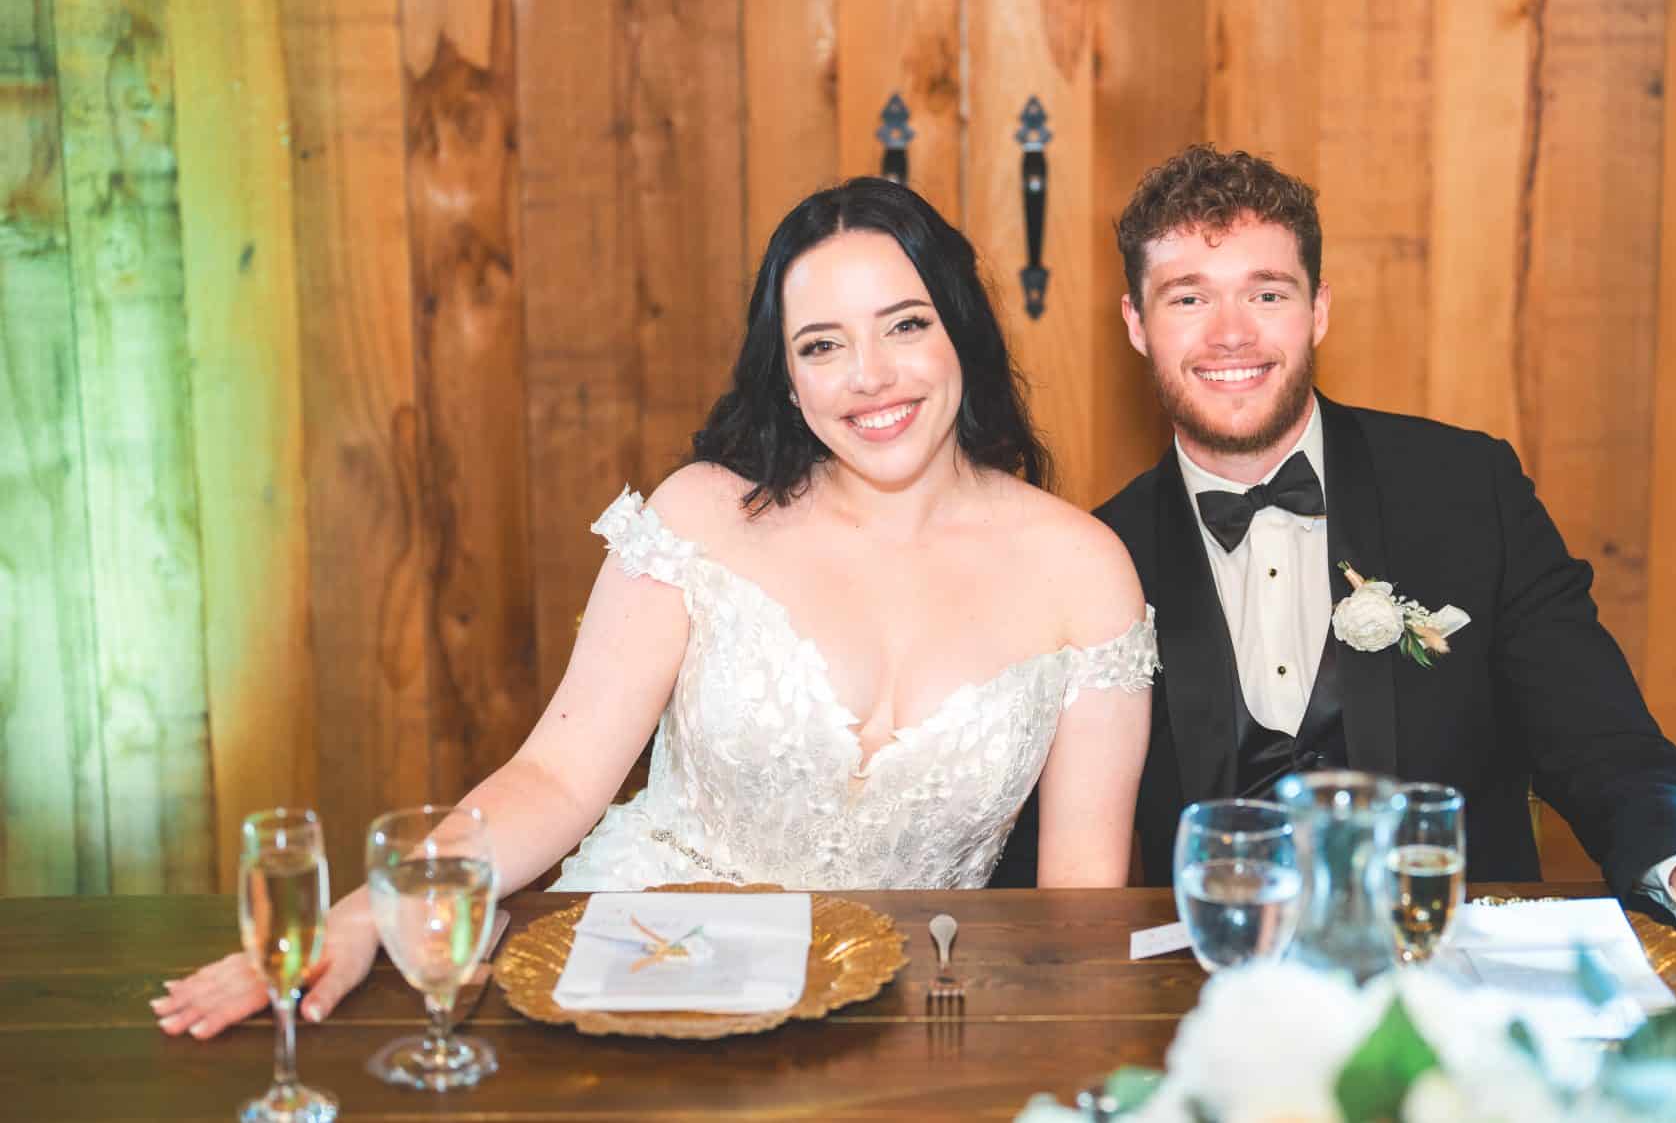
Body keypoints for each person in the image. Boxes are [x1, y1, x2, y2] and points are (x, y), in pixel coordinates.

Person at [154, 177, 1155, 1037]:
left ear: (960, 334)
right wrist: (366, 915)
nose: (869, 378)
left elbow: (1074, 911)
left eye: (904, 324)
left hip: (898, 1013)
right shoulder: (700, 516)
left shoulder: (1083, 572)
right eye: (821, 346)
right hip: (634, 972)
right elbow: (553, 775)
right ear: (789, 380)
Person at [997, 144, 1676, 999]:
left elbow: (1605, 742)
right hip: (1202, 1011)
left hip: (1466, 1008)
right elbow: (1036, 858)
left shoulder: (1467, 490)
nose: (1232, 333)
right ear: (1137, 323)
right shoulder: (1092, 559)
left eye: (1267, 293)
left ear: (1319, 309)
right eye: (1190, 298)